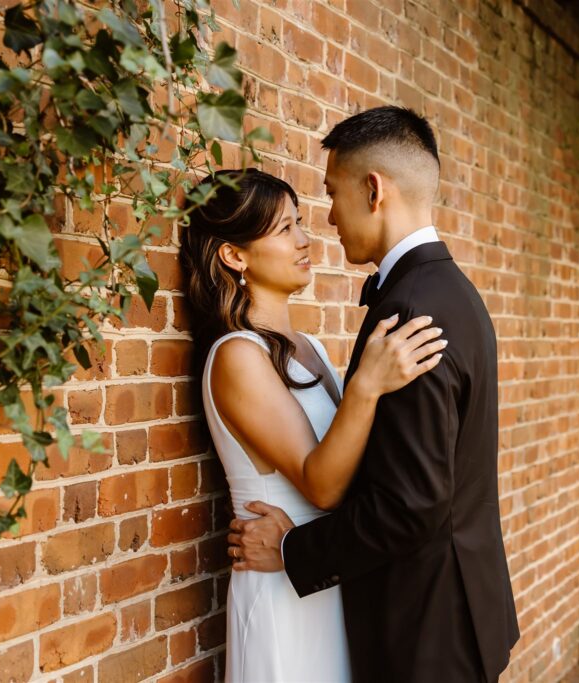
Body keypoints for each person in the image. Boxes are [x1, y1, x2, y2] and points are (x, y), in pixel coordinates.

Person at [228, 106, 522, 682]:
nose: (330, 217)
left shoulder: (412, 310)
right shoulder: (451, 291)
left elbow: (411, 503)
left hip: (423, 630)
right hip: (452, 609)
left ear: (373, 189)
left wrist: (293, 552)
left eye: (333, 193)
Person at [180, 167, 446, 682]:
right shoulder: (237, 355)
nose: (305, 240)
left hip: (317, 572)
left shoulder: (311, 349)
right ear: (234, 256)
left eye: (299, 223)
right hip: (279, 590)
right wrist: (367, 386)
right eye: (284, 229)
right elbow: (321, 484)